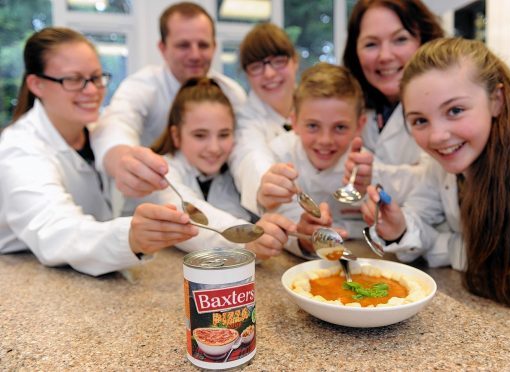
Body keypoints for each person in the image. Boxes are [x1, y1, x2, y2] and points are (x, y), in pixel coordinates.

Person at [362, 37, 510, 311]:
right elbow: (420, 218)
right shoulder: (439, 167)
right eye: (420, 120)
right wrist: (399, 227)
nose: (438, 136)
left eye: (455, 111)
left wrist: (450, 246)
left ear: (496, 101)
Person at [0, 27, 198, 276]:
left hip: (91, 269)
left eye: (96, 77)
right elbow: (55, 231)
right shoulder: (19, 148)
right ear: (37, 84)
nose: (92, 91)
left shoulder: (97, 131)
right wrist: (130, 237)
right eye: (73, 79)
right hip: (22, 276)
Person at [126, 77, 295, 260]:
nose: (214, 148)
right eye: (200, 135)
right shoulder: (160, 172)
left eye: (224, 134)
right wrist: (246, 240)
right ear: (176, 135)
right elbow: (186, 214)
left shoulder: (231, 170)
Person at [91, 2, 246, 199]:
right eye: (183, 45)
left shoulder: (231, 94)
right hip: (154, 201)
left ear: (214, 46)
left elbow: (244, 145)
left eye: (203, 45)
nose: (195, 54)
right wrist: (124, 161)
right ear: (162, 48)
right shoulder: (142, 87)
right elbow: (116, 124)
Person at [256, 63, 367, 258]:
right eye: (313, 126)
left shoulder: (364, 165)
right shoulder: (278, 156)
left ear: (359, 126)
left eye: (340, 127)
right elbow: (278, 216)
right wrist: (303, 234)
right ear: (294, 122)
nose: (325, 140)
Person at [341, 0, 444, 196]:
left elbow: (439, 183)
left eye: (400, 39)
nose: (385, 56)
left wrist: (373, 176)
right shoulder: (355, 109)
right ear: (355, 51)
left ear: (425, 41)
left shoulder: (449, 109)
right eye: (371, 44)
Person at [229, 22, 299, 214]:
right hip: (282, 224)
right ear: (246, 74)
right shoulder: (244, 120)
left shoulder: (317, 105)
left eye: (278, 61)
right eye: (256, 66)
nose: (269, 73)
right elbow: (249, 155)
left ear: (295, 61)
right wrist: (266, 183)